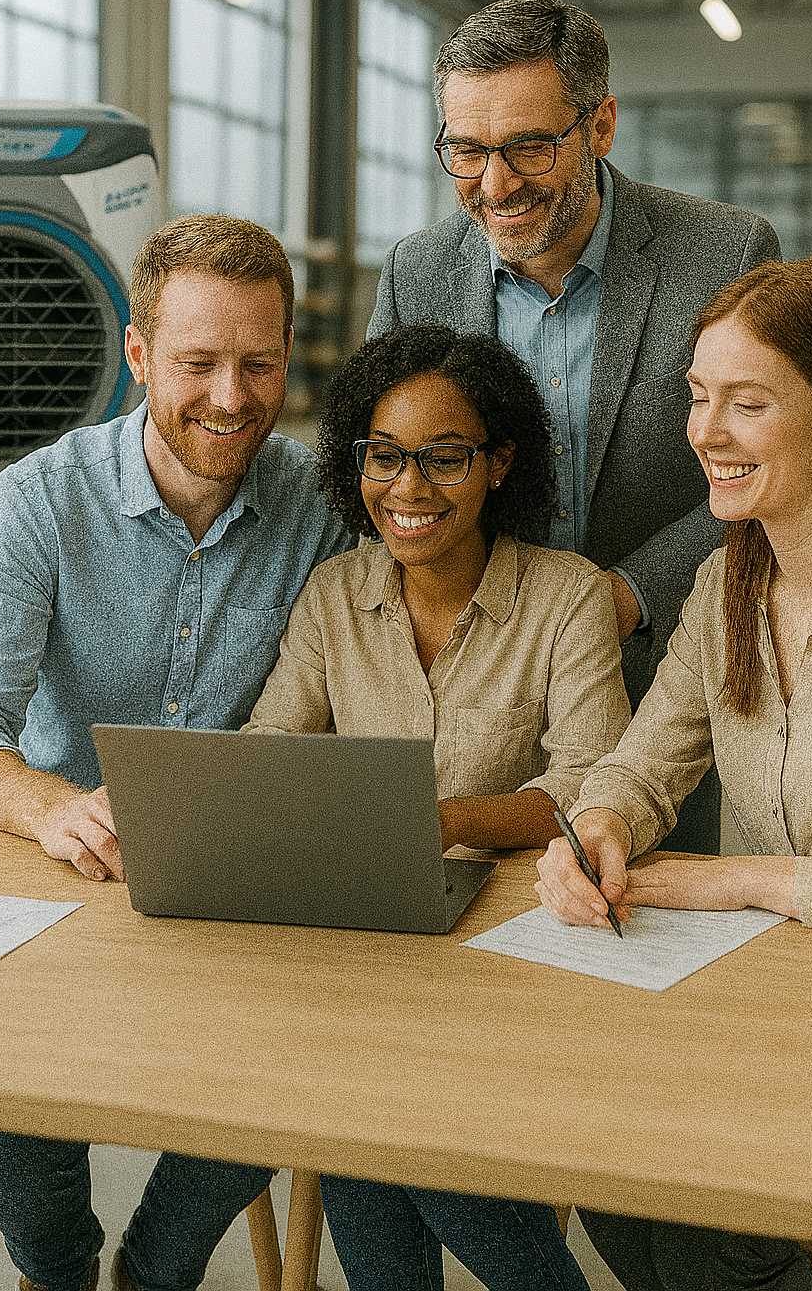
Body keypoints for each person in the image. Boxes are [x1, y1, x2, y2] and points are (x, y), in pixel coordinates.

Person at [0, 214, 353, 1291]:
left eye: (258, 362)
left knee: (301, 1051)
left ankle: (158, 1269)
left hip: (234, 891)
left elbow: (351, 715)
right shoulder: (40, 499)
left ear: (288, 353)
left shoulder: (325, 506)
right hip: (65, 872)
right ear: (140, 354)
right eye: (198, 363)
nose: (231, 397)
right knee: (4, 1085)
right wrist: (53, 807)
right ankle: (60, 1271)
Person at [246, 323, 630, 1290]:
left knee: (383, 1129)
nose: (407, 488)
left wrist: (447, 821)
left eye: (443, 458)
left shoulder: (567, 597)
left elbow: (591, 788)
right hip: (372, 954)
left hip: (518, 960)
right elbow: (269, 753)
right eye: (383, 457)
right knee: (365, 1114)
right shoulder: (335, 593)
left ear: (500, 463)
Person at [368, 0, 782, 851]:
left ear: (600, 126)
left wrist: (626, 597)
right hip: (473, 703)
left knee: (644, 954)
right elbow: (377, 464)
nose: (494, 184)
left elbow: (767, 471)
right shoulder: (417, 272)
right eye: (466, 151)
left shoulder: (724, 254)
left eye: (528, 145)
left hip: (655, 681)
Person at [536, 257, 812, 1291]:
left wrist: (740, 879)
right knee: (613, 1182)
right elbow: (648, 759)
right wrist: (600, 823)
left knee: (708, 1240)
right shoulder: (727, 581)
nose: (705, 432)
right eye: (699, 398)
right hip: (766, 1012)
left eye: (747, 404)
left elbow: (735, 876)